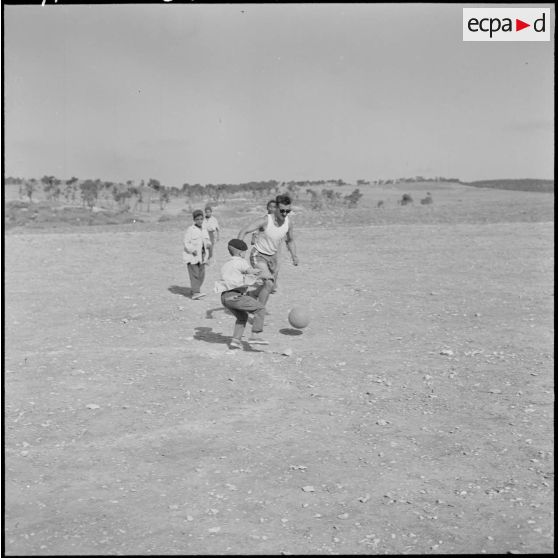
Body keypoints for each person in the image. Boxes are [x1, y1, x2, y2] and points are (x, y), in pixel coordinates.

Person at [237, 194, 298, 309]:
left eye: (288, 211)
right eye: (282, 211)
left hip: (273, 256)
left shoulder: (288, 223)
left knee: (270, 286)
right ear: (276, 209)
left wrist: (294, 255)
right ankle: (258, 313)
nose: (285, 214)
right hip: (258, 255)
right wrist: (238, 253)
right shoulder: (265, 220)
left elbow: (290, 240)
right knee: (269, 282)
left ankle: (251, 295)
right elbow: (244, 231)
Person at [215, 238, 268, 349]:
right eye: (245, 252)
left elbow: (236, 280)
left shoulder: (226, 265)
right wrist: (260, 272)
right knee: (260, 308)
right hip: (235, 297)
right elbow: (249, 271)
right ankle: (255, 336)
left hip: (224, 298)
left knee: (242, 316)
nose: (245, 254)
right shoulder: (241, 262)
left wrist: (253, 281)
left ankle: (235, 340)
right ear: (240, 252)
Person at [183, 209, 211, 300]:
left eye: (201, 219)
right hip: (192, 257)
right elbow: (186, 242)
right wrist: (192, 250)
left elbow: (206, 240)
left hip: (202, 256)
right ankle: (195, 292)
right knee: (194, 274)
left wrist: (208, 244)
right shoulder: (191, 229)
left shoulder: (204, 229)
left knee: (201, 275)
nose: (200, 221)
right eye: (197, 219)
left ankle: (195, 289)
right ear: (194, 220)